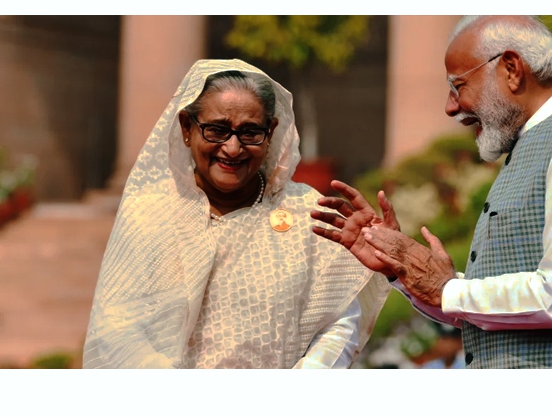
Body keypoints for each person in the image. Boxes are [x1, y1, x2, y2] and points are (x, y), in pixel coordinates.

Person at [311, 15, 552, 368]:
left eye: (458, 86)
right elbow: (500, 310)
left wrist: (446, 289)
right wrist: (402, 267)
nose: (451, 107)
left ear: (511, 69)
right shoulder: (537, 144)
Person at [83, 59, 389, 368]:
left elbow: (339, 322)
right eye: (217, 130)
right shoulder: (151, 212)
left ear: (270, 133)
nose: (232, 148)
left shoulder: (306, 211)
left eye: (250, 132)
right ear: (187, 128)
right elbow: (118, 328)